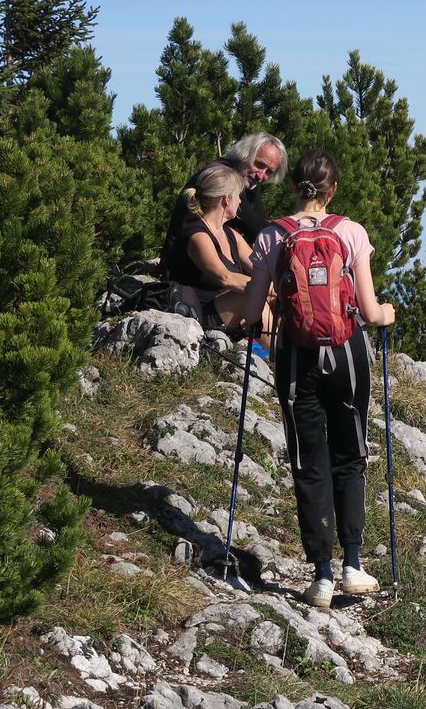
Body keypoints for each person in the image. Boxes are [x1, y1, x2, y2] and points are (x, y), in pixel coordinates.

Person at [239, 148, 395, 609]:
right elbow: (369, 311)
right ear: (333, 190)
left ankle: (321, 575)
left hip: (296, 357)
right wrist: (386, 314)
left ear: (293, 187)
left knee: (308, 460)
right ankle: (353, 564)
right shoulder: (350, 232)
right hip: (347, 355)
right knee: (351, 453)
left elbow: (251, 312)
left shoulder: (272, 235)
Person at [158, 163, 263, 335]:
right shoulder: (198, 236)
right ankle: (277, 350)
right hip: (200, 315)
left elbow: (260, 267)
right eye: (238, 196)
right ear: (227, 199)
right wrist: (267, 288)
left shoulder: (232, 235)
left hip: (225, 311)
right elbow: (224, 277)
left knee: (271, 298)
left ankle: (290, 346)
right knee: (251, 296)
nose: (240, 201)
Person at [167, 133, 287, 250]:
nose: (261, 176)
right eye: (259, 165)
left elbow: (260, 222)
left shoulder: (246, 177)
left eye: (269, 172)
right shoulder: (223, 177)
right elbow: (257, 230)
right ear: (245, 155)